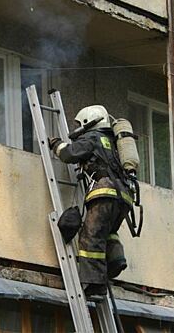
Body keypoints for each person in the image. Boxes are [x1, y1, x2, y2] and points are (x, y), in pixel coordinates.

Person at [49, 105, 133, 297]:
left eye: (80, 123)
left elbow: (69, 154)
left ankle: (96, 285)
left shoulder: (92, 138)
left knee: (91, 236)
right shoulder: (114, 142)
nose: (78, 126)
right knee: (108, 232)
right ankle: (116, 260)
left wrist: (56, 144)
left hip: (105, 193)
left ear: (89, 121)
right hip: (124, 197)